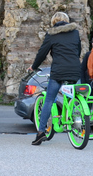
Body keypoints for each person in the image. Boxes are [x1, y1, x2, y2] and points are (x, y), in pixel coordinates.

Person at [28, 12, 82, 146]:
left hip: (58, 71)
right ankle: (77, 122)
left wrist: (34, 66)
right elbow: (78, 50)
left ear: (54, 22)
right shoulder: (75, 33)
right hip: (75, 70)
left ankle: (41, 132)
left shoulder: (52, 34)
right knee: (75, 98)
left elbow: (42, 53)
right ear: (67, 21)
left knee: (49, 99)